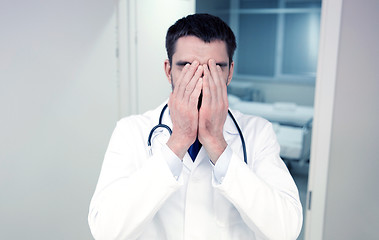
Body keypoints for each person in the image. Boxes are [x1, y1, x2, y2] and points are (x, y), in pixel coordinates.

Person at [88, 13, 302, 240]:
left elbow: (286, 230)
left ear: (229, 72)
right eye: (187, 66)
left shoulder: (258, 132)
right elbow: (105, 230)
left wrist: (217, 145)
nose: (201, 79)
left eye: (215, 67)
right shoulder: (130, 131)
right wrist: (178, 142)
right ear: (169, 70)